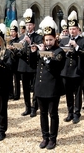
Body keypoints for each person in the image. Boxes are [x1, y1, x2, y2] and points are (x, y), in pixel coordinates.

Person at [29, 16, 65, 150]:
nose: (48, 42)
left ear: (55, 39)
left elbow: (55, 66)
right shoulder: (41, 51)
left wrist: (44, 55)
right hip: (40, 87)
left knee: (53, 113)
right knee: (42, 113)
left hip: (52, 88)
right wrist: (34, 53)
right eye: (46, 40)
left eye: (51, 39)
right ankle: (44, 136)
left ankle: (52, 138)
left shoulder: (59, 52)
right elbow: (32, 65)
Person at [59, 10, 84, 124]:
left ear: (77, 29)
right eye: (70, 29)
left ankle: (77, 113)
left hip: (77, 70)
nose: (72, 31)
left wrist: (76, 47)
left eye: (74, 29)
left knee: (77, 93)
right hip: (66, 71)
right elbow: (59, 54)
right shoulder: (64, 40)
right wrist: (64, 51)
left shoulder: (83, 40)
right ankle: (70, 112)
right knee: (68, 93)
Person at [17, 8, 42, 117]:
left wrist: (30, 42)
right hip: (23, 66)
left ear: (34, 25)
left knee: (35, 88)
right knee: (25, 88)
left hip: (34, 66)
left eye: (30, 25)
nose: (28, 27)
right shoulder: (21, 37)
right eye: (27, 25)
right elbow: (19, 54)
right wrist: (17, 48)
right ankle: (27, 107)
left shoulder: (38, 37)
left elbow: (39, 52)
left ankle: (34, 107)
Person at [7, 20, 21, 100]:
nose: (12, 33)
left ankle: (17, 95)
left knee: (16, 79)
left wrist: (13, 49)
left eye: (13, 32)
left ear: (16, 32)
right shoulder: (9, 41)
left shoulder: (18, 41)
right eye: (11, 31)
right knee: (9, 79)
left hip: (16, 61)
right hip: (10, 61)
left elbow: (19, 51)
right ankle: (10, 94)